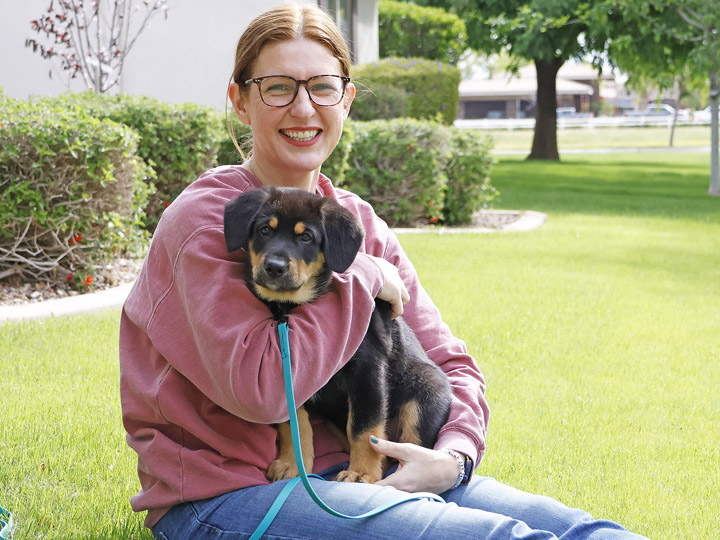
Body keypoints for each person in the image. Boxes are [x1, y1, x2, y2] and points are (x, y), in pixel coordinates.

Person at [119, 4, 650, 539]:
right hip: (231, 495)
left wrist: (454, 458)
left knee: (585, 530)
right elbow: (261, 389)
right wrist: (363, 277)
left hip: (377, 471)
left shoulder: (358, 223)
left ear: (345, 100)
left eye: (323, 87)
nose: (303, 108)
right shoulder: (206, 221)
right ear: (240, 100)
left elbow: (447, 362)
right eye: (278, 87)